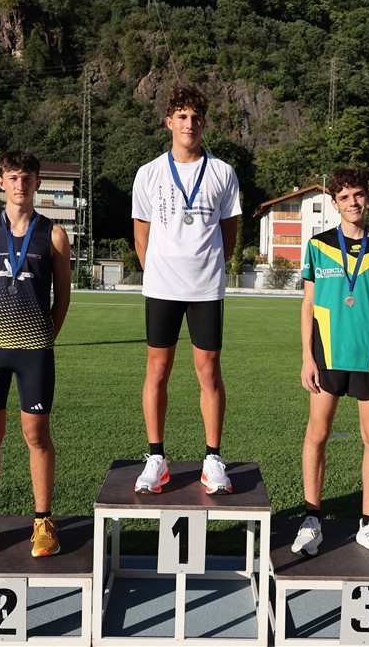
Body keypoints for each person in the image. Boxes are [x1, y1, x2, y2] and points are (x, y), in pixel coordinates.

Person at [0, 151, 72, 559]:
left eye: (28, 178)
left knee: (36, 436)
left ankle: (43, 521)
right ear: (1, 183)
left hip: (35, 351)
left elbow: (62, 298)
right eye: (14, 177)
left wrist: (42, 337)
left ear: (38, 183)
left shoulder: (54, 235)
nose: (21, 185)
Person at [131, 84, 241, 495]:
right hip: (162, 286)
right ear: (169, 122)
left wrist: (207, 268)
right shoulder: (149, 173)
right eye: (181, 116)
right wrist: (158, 272)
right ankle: (155, 457)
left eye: (196, 117)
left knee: (209, 371)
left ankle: (212, 458)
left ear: (204, 123)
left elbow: (229, 234)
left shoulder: (223, 172)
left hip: (206, 287)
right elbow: (141, 234)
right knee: (157, 370)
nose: (189, 124)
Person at [291, 166, 369, 560]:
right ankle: (311, 520)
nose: (352, 202)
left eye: (358, 195)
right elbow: (308, 304)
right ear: (335, 203)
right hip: (326, 355)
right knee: (317, 433)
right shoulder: (318, 245)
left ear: (367, 199)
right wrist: (307, 357)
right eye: (344, 197)